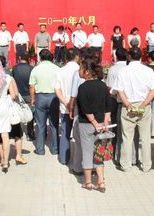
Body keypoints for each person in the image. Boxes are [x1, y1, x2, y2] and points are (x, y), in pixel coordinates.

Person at [113, 47, 154, 172]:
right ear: (141, 56)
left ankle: (125, 165)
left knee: (127, 137)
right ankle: (146, 165)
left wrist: (127, 104)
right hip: (144, 105)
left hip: (128, 105)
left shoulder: (123, 71)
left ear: (129, 56)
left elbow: (119, 90)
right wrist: (144, 104)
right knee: (145, 137)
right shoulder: (148, 70)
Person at [76, 57, 111, 192]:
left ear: (87, 72)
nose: (79, 71)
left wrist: (95, 123)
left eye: (81, 68)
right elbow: (108, 105)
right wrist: (105, 122)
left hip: (87, 124)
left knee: (87, 152)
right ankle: (101, 182)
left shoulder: (83, 87)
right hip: (102, 123)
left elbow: (85, 108)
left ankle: (88, 182)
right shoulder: (103, 85)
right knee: (99, 152)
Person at [29, 49, 60, 155]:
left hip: (40, 97)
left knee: (40, 125)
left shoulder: (35, 69)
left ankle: (40, 149)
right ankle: (55, 149)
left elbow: (32, 86)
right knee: (54, 125)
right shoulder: (57, 69)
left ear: (40, 57)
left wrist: (33, 99)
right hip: (54, 97)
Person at [54, 48, 80, 165]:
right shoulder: (81, 70)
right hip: (79, 108)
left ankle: (64, 159)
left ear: (65, 58)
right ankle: (78, 161)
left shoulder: (61, 71)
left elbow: (57, 89)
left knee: (65, 132)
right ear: (77, 57)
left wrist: (65, 102)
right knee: (79, 135)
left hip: (65, 107)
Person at [106, 47, 127, 163]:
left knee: (115, 126)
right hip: (129, 101)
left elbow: (109, 87)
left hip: (115, 100)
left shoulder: (113, 69)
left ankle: (114, 153)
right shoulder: (128, 68)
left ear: (116, 56)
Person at [12, 53, 34, 140]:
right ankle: (30, 133)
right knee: (30, 114)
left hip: (18, 94)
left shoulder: (15, 68)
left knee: (17, 113)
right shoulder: (31, 68)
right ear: (28, 59)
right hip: (28, 93)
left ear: (20, 58)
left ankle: (18, 133)